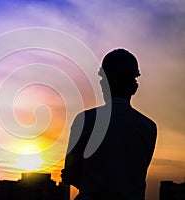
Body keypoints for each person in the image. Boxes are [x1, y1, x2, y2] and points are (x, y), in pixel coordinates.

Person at [61, 49, 157, 200]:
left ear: (103, 83)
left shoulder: (84, 120)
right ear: (134, 87)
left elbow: (70, 174)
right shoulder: (149, 128)